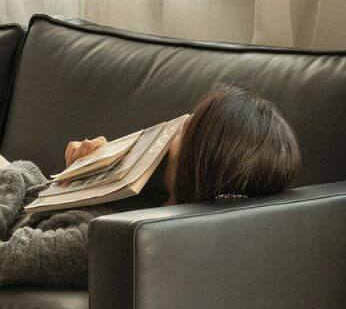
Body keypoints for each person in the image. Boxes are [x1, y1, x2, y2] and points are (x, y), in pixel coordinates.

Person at [0, 83, 301, 288]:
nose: (178, 125)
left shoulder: (114, 240)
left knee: (18, 171)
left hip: (13, 215)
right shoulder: (150, 199)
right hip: (25, 205)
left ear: (198, 156)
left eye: (187, 126)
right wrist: (89, 170)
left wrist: (14, 177)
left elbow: (13, 255)